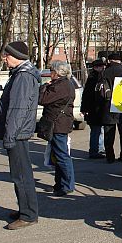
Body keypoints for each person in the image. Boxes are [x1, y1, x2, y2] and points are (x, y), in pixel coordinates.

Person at [0, 41, 41, 230]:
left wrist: (10, 136)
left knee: (21, 175)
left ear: (17, 57)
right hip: (17, 132)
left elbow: (18, 109)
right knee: (19, 174)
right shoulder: (20, 74)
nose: (5, 59)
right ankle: (25, 209)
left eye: (7, 55)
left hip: (18, 133)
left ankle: (28, 215)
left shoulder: (23, 76)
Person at [38, 61, 76, 197]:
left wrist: (43, 87)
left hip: (58, 124)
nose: (50, 73)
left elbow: (42, 99)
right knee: (58, 155)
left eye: (51, 71)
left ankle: (67, 185)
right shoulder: (65, 84)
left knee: (62, 156)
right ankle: (60, 184)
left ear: (57, 72)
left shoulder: (61, 86)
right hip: (59, 123)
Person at [100, 53, 122, 163]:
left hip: (108, 105)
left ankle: (109, 156)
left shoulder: (105, 72)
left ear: (110, 60)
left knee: (108, 134)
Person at [80, 59, 105, 159]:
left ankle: (99, 148)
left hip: (93, 110)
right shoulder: (95, 78)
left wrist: (84, 108)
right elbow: (87, 95)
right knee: (96, 131)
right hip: (95, 110)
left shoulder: (92, 77)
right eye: (100, 66)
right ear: (96, 67)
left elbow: (85, 95)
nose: (102, 68)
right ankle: (95, 150)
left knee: (98, 130)